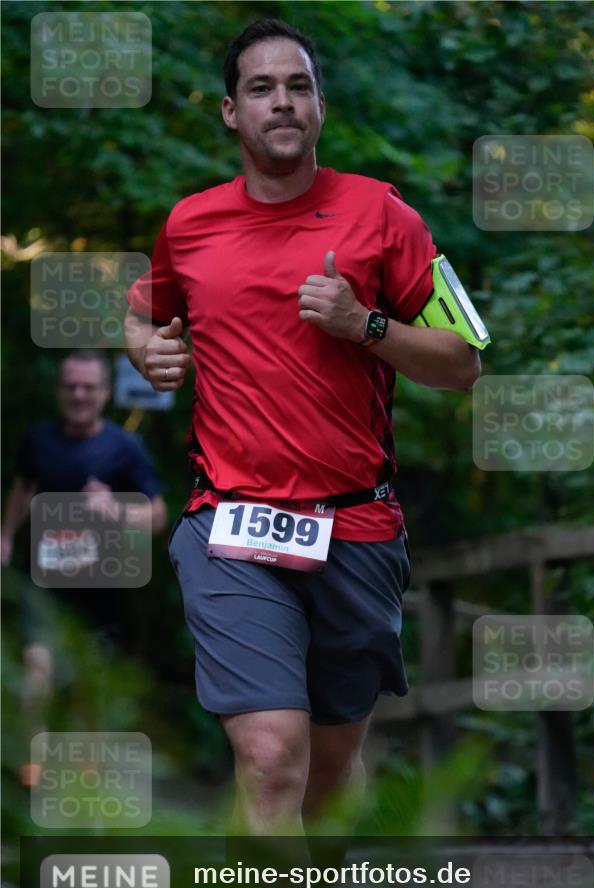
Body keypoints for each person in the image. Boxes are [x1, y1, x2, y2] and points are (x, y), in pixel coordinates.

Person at [124, 19, 484, 834]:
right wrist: (145, 348)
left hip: (354, 526)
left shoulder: (384, 216)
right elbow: (146, 309)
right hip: (231, 523)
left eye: (297, 87)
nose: (280, 102)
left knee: (325, 775)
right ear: (229, 112)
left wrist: (366, 326)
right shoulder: (190, 225)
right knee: (270, 756)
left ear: (319, 106)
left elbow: (463, 362)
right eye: (261, 88)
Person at [1, 349, 167, 740]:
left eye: (88, 388)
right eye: (71, 386)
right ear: (59, 391)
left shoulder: (124, 449)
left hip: (102, 593)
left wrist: (116, 511)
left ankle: (82, 775)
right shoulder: (38, 440)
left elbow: (158, 516)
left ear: (105, 393)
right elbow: (23, 488)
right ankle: (33, 767)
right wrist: (6, 535)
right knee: (37, 667)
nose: (79, 395)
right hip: (44, 584)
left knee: (86, 695)